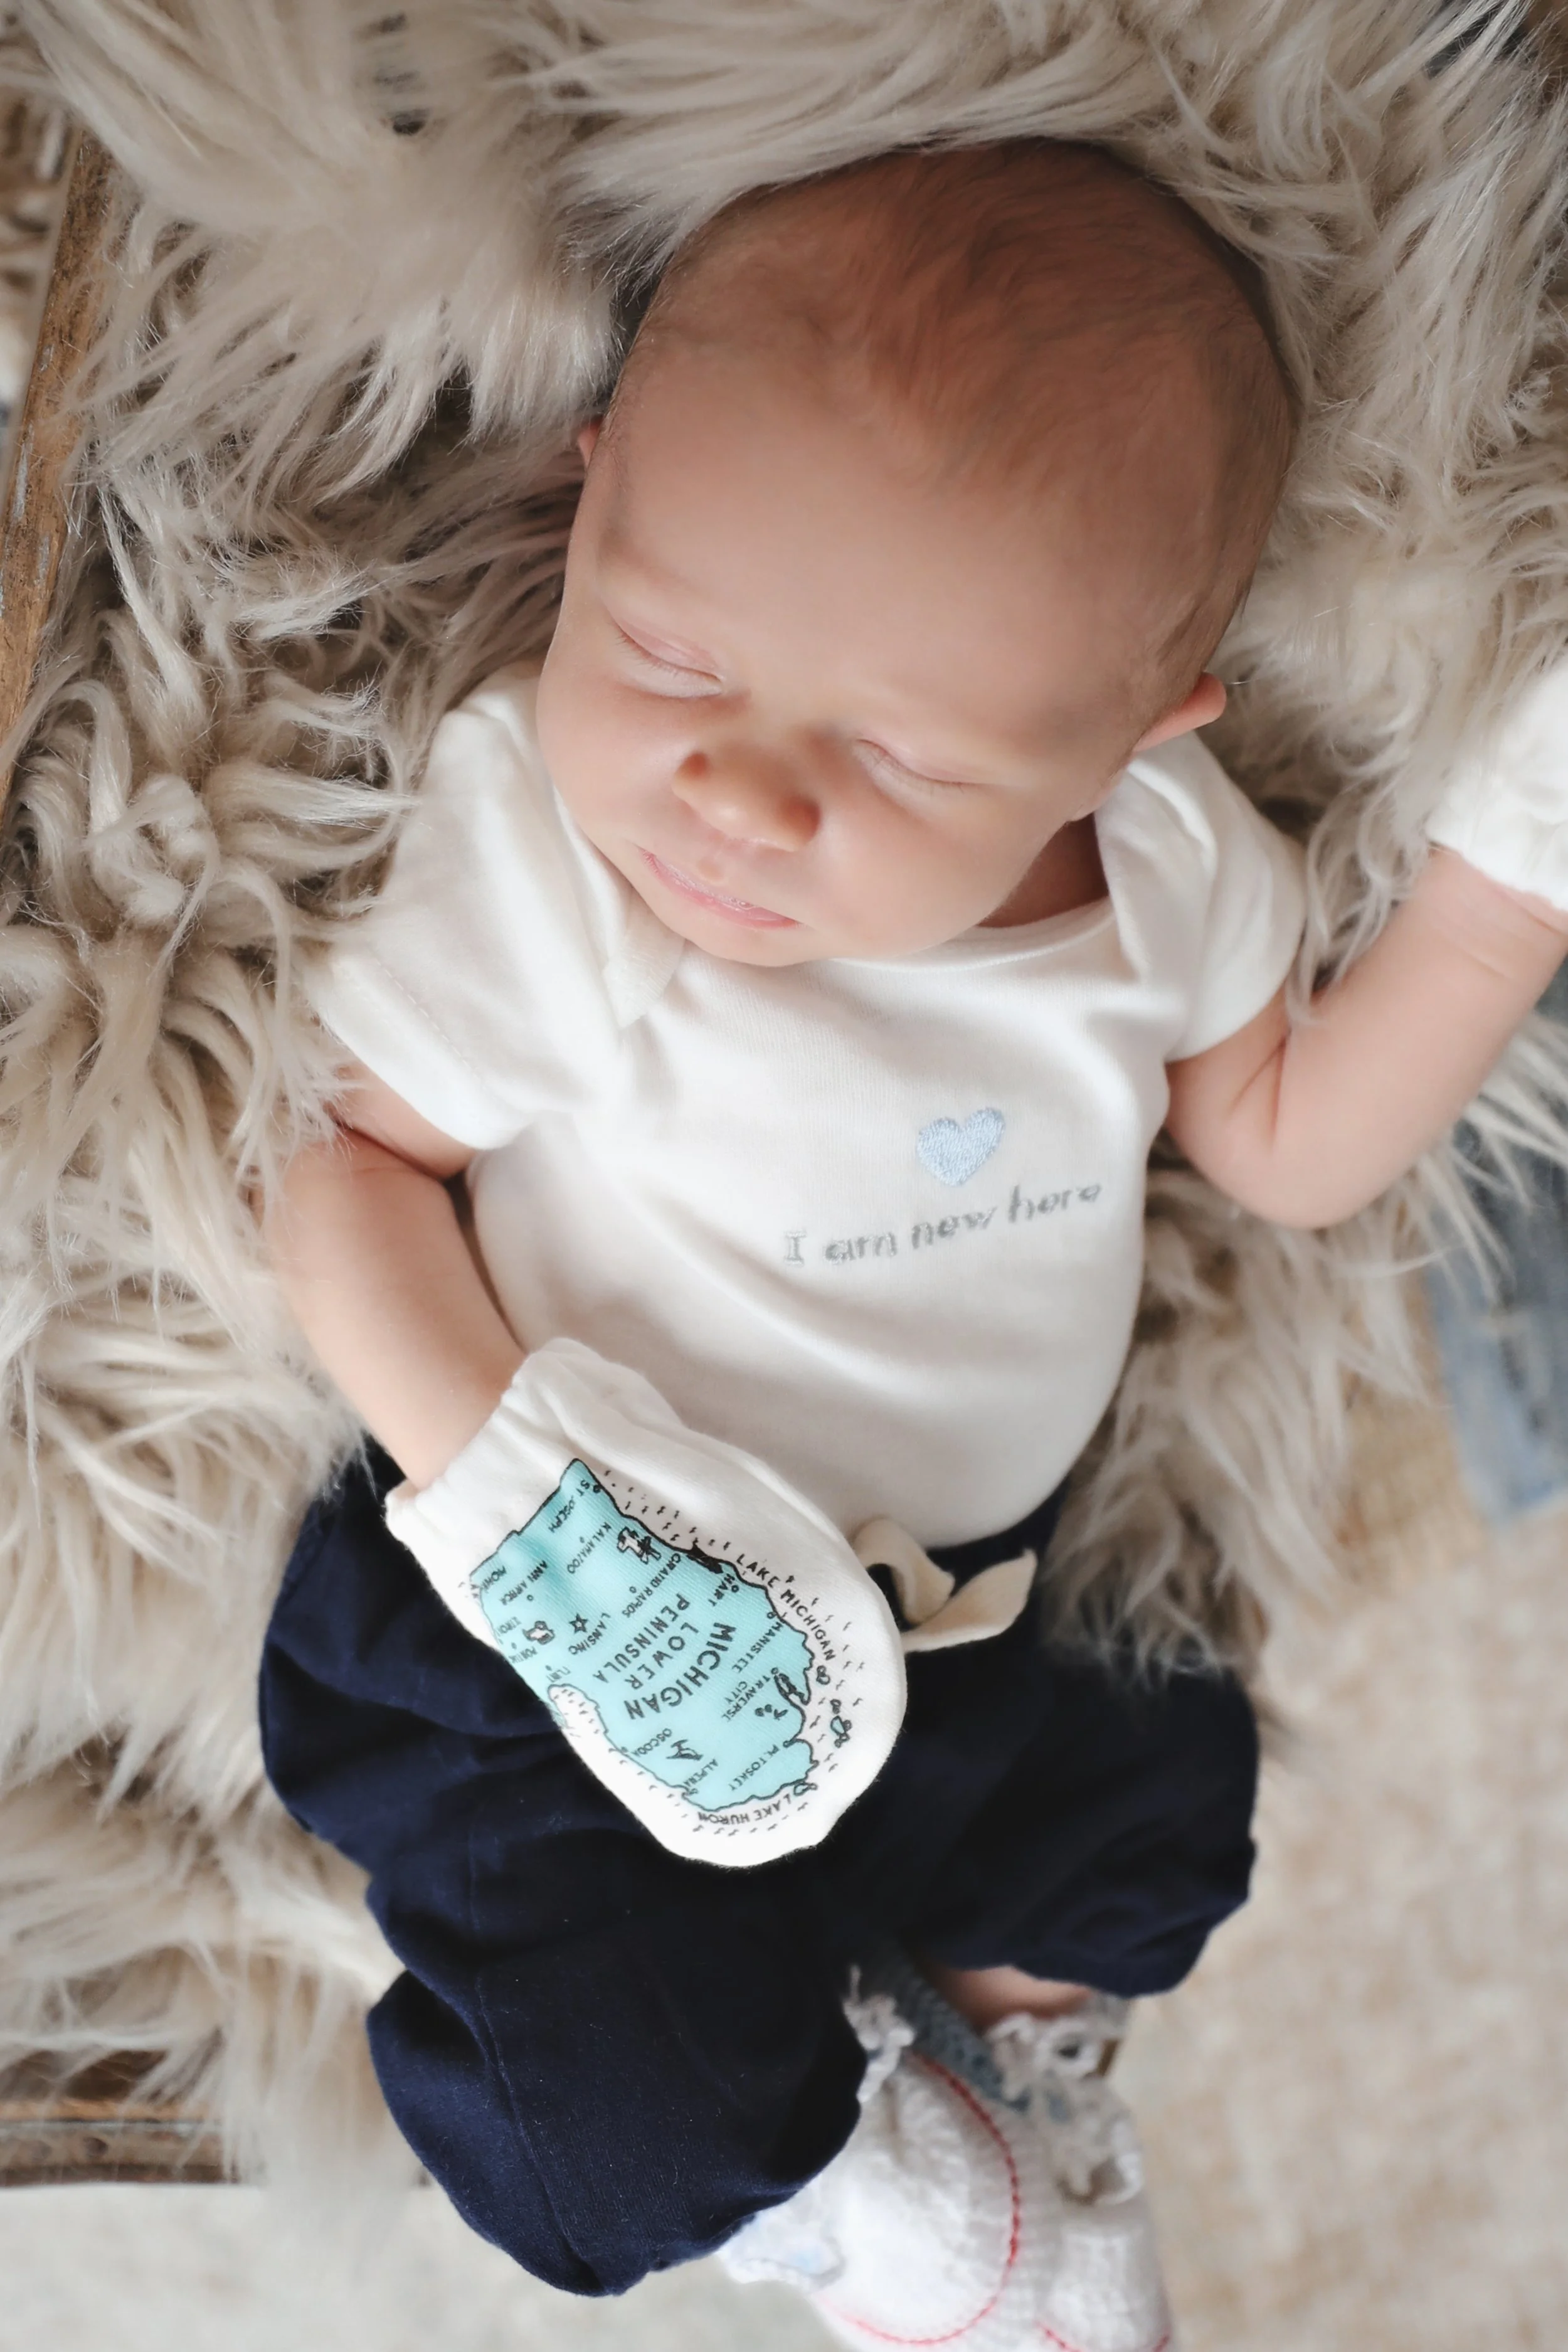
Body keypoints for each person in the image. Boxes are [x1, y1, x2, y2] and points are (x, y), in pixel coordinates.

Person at [257, 142, 1568, 2346]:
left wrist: (1505, 883)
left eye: (896, 757)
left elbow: (1286, 1144)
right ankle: (845, 2174)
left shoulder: (1158, 872)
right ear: (594, 484)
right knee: (597, 2125)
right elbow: (340, 1169)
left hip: (974, 1610)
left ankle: (994, 2057)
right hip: (558, 1659)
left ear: (1126, 735)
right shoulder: (570, 856)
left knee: (1157, 1816)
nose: (741, 796)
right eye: (665, 648)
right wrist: (538, 1513)